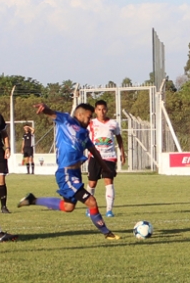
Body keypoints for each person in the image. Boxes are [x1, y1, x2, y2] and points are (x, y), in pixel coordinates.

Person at [17, 103, 120, 240]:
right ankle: (107, 233)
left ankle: (33, 200)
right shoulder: (66, 120)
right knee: (91, 201)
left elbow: (94, 151)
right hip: (66, 173)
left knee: (68, 207)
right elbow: (52, 113)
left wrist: (106, 168)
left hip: (75, 174)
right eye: (88, 117)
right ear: (80, 115)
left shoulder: (84, 134)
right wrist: (45, 109)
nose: (90, 121)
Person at [86, 100, 125, 217]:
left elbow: (119, 138)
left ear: (106, 110)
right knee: (92, 183)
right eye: (99, 109)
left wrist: (123, 152)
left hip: (109, 157)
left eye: (103, 109)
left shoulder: (113, 123)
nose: (101, 112)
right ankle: (90, 208)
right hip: (95, 156)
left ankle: (109, 210)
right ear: (95, 111)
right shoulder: (91, 123)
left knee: (109, 182)